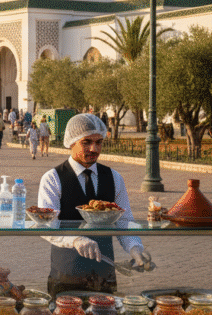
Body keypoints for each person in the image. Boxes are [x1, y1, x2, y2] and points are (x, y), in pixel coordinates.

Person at [37, 114, 151, 297]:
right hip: (66, 274)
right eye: (86, 142)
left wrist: (135, 248)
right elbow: (46, 226)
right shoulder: (52, 178)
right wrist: (75, 239)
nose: (94, 148)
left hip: (104, 274)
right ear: (71, 142)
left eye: (99, 142)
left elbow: (125, 221)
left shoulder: (114, 177)